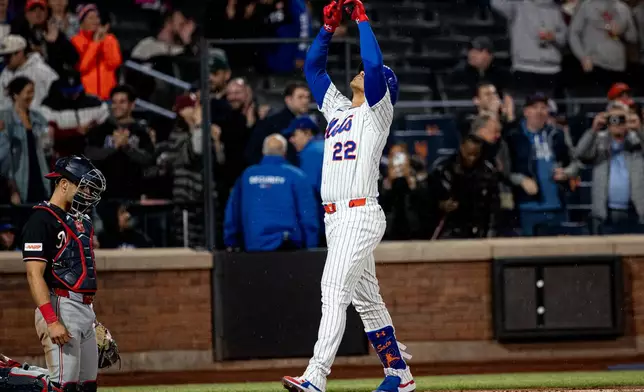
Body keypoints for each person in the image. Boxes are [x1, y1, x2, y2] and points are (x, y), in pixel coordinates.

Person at [281, 1, 415, 392]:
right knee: (368, 302)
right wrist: (326, 28)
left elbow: (374, 66)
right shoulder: (339, 109)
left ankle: (316, 376)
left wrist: (361, 20)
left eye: (371, 75)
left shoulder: (378, 109)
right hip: (336, 219)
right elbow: (314, 70)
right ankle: (399, 375)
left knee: (332, 291)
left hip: (359, 213)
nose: (360, 72)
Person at [20, 155, 106, 392]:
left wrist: (91, 318)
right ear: (64, 183)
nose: (87, 194)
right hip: (60, 305)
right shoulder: (41, 219)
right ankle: (15, 378)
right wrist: (51, 320)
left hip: (85, 309)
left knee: (87, 386)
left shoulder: (83, 222)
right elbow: (33, 274)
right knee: (63, 387)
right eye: (83, 186)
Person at [224, 134, 319, 252]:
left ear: (263, 152)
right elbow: (308, 218)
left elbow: (232, 214)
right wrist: (311, 248)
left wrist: (231, 242)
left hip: (254, 248)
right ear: (284, 152)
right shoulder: (297, 176)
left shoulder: (247, 175)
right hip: (288, 249)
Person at [430, 134, 499, 239]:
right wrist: (442, 205)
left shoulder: (488, 172)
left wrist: (491, 232)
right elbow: (432, 199)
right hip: (452, 227)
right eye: (469, 154)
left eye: (476, 154)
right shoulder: (445, 170)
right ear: (462, 148)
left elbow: (494, 205)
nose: (472, 158)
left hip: (479, 226)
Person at [0, 76, 52, 204]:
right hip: (17, 179)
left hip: (39, 174)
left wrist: (48, 141)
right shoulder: (5, 118)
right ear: (16, 95)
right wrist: (12, 188)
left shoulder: (38, 118)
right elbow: (4, 156)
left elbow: (47, 150)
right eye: (28, 92)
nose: (31, 96)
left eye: (32, 92)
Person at [71, 4, 122, 100]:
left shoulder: (110, 39)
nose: (95, 21)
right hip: (86, 96)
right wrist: (95, 44)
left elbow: (114, 63)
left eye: (97, 17)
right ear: (82, 22)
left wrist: (105, 40)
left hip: (108, 96)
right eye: (91, 18)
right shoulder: (76, 41)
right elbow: (82, 66)